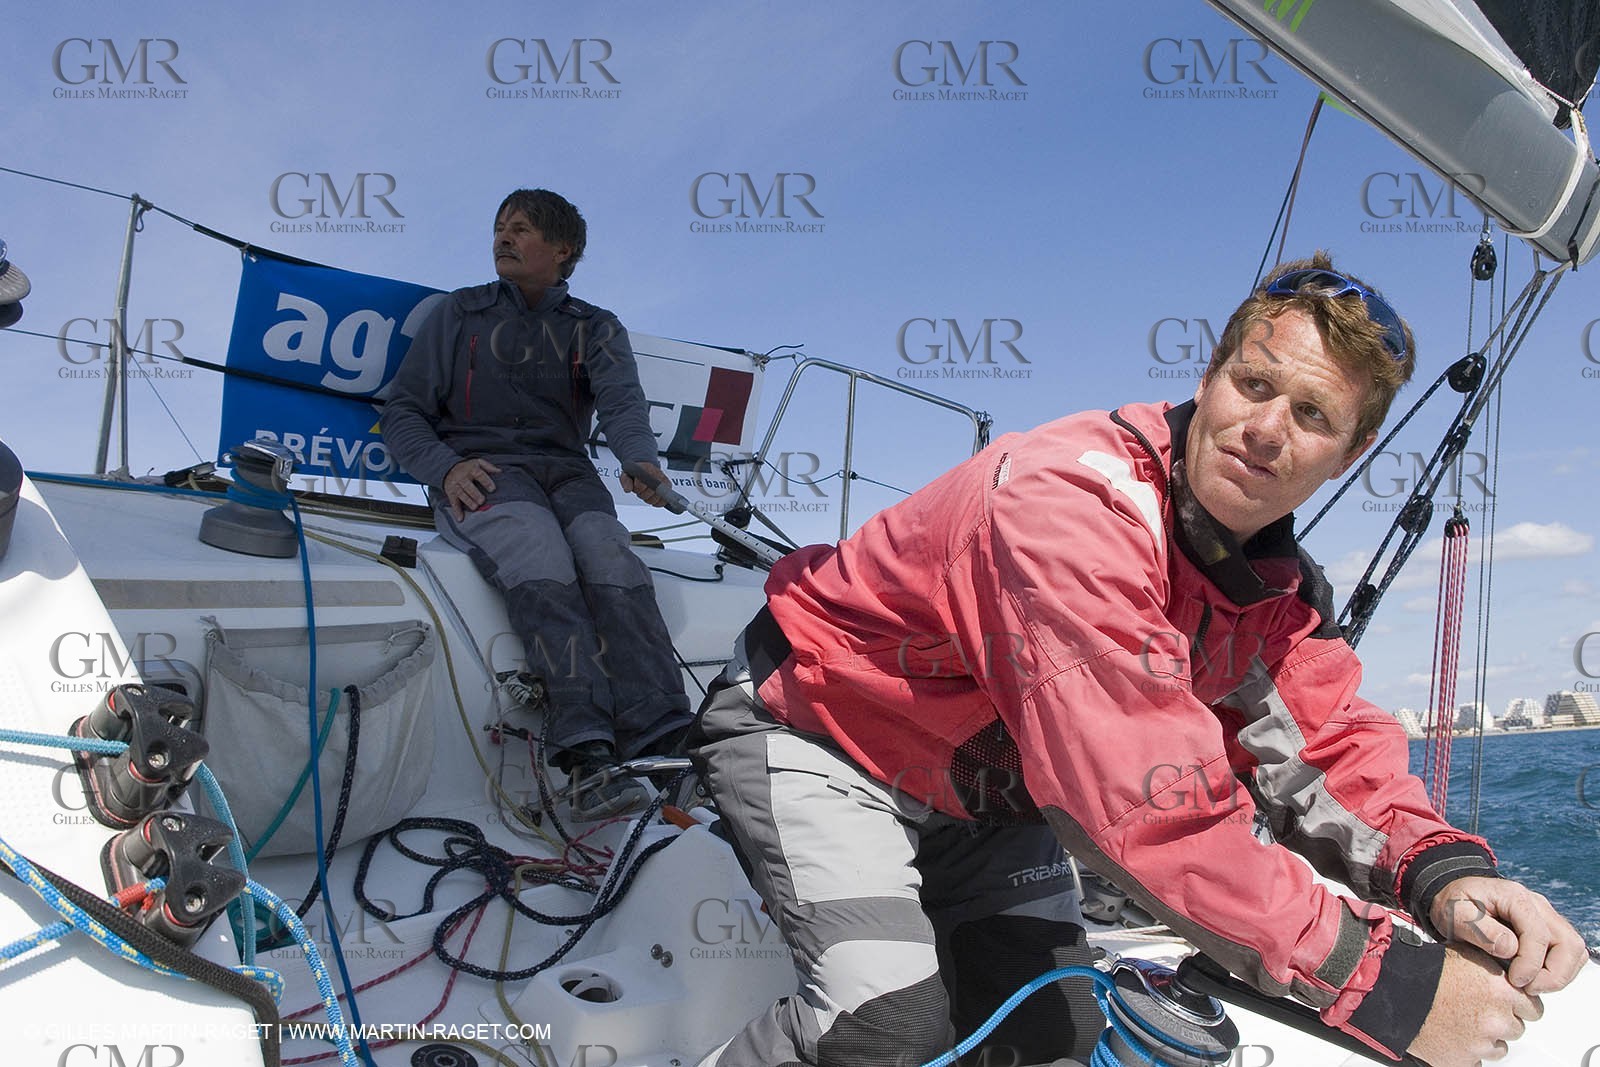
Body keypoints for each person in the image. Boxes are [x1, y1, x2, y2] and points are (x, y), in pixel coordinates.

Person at [687, 253, 1589, 1067]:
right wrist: (1388, 986)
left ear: (1351, 453)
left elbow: (1327, 742)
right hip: (822, 734)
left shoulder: (1275, 593)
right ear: (1210, 376)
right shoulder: (1068, 506)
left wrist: (1448, 876)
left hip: (986, 798)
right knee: (882, 1029)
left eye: (1312, 413)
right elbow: (1145, 802)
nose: (1265, 427)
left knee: (1056, 1033)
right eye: (1254, 383)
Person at [382, 188, 691, 820]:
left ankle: (665, 736)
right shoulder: (458, 313)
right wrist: (445, 468)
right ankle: (586, 752)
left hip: (568, 473)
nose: (503, 237)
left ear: (562, 248)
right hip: (485, 468)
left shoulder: (595, 326)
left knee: (609, 553)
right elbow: (403, 412)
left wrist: (640, 460)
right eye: (500, 227)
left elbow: (622, 403)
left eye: (521, 229)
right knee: (538, 549)